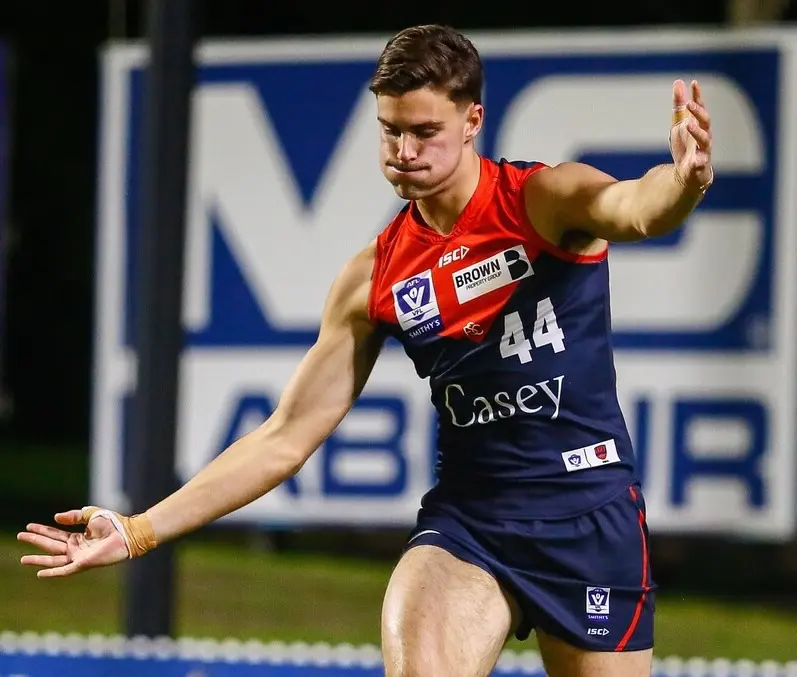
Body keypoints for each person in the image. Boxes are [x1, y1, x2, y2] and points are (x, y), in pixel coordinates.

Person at [17, 24, 713, 677]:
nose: (403, 151)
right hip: (469, 523)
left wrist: (682, 180)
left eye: (423, 131)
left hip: (587, 514)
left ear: (472, 121)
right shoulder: (374, 275)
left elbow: (635, 208)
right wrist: (138, 529)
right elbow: (284, 437)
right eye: (389, 131)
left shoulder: (544, 199)